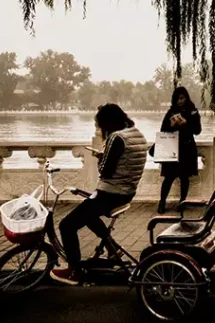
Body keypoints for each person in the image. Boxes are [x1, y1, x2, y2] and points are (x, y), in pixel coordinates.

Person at [50, 103, 148, 284]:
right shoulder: (137, 134)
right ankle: (113, 248)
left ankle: (74, 271)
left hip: (110, 193)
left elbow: (105, 171)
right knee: (88, 215)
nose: (100, 129)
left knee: (67, 225)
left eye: (100, 125)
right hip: (127, 192)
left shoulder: (116, 138)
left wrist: (101, 157)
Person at [155, 86, 203, 213]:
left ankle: (182, 201)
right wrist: (171, 125)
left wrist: (186, 123)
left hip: (187, 147)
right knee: (169, 177)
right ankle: (162, 202)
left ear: (186, 98)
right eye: (177, 99)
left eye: (182, 98)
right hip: (172, 147)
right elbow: (163, 131)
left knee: (184, 177)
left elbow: (197, 130)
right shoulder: (171, 112)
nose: (179, 101)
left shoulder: (193, 112)